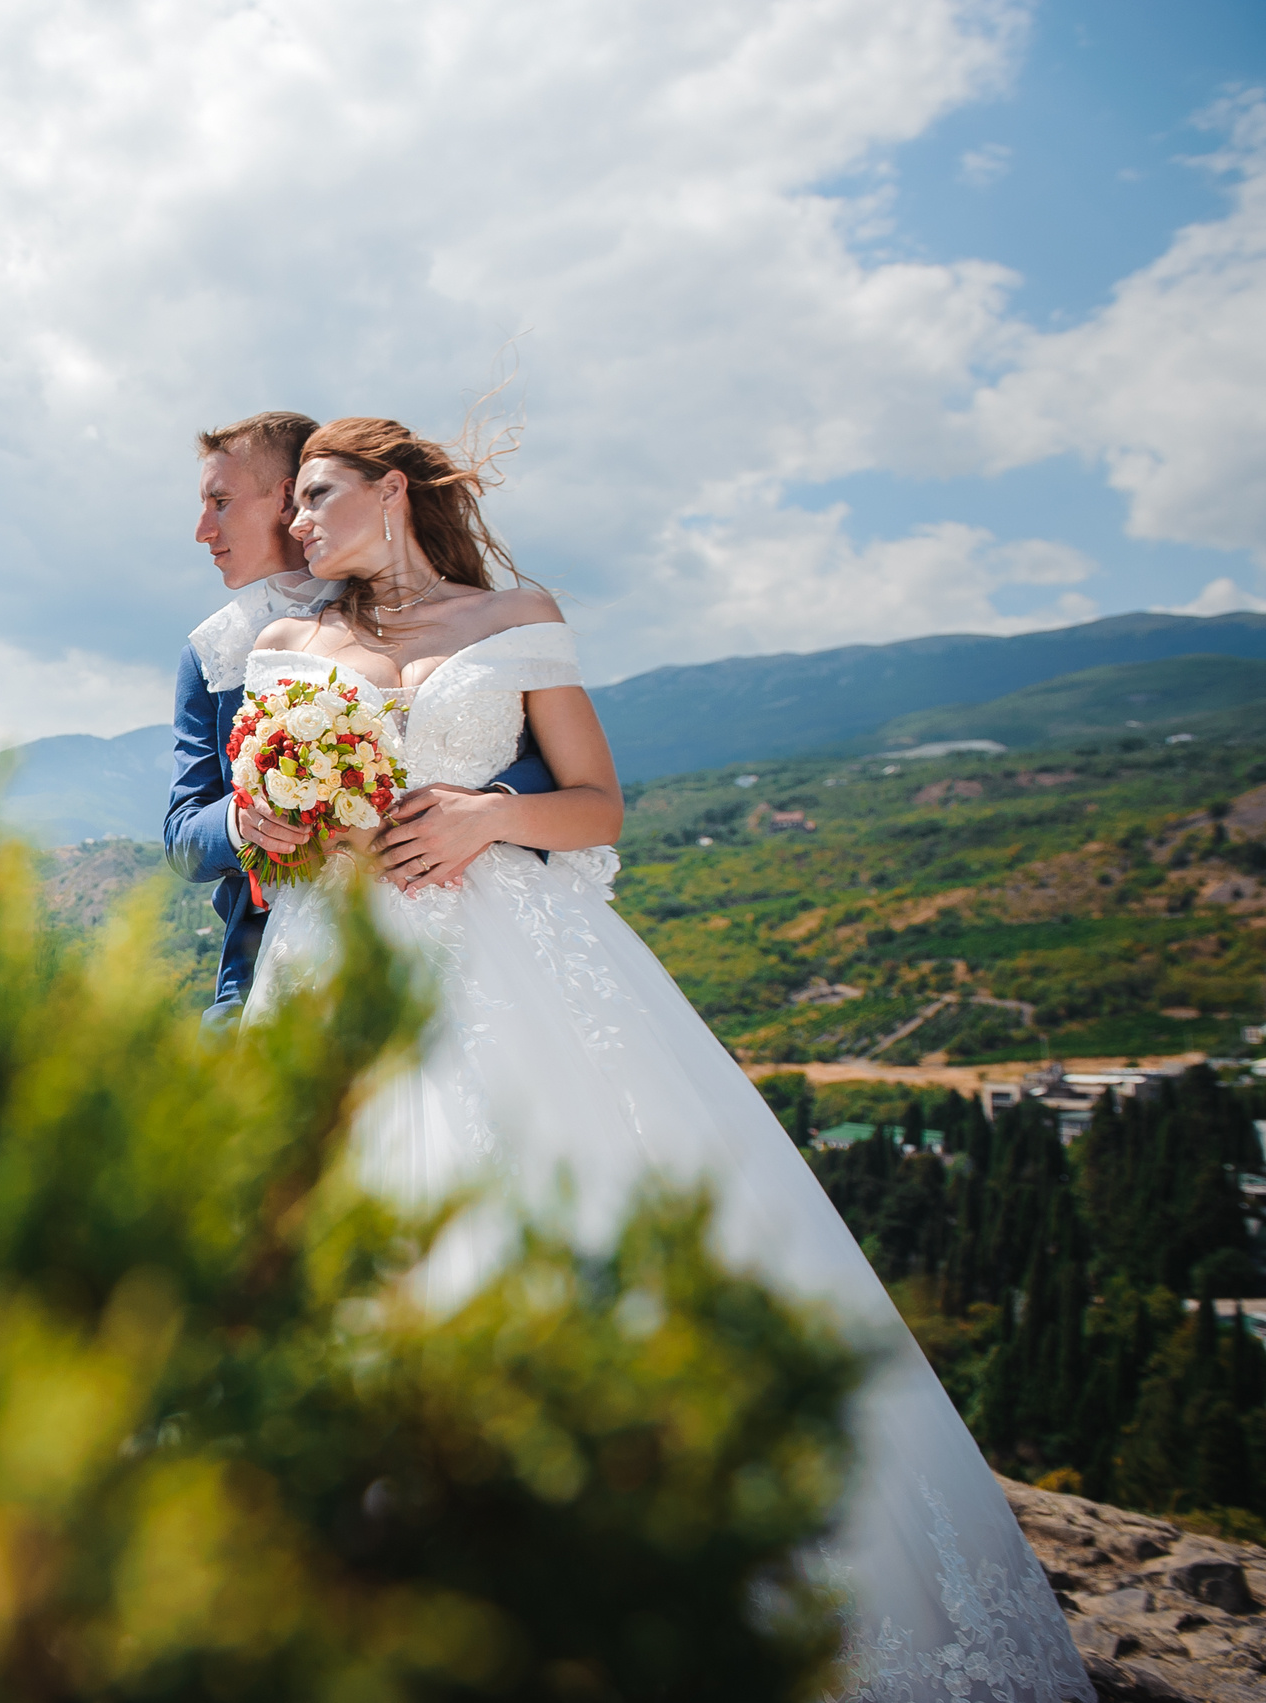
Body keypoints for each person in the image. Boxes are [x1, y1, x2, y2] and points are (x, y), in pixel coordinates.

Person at [241, 416, 1092, 1702]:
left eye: (315, 496)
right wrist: (273, 813)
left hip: (508, 958)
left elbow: (595, 803)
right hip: (337, 968)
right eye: (292, 506)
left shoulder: (514, 616)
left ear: (393, 491)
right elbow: (257, 830)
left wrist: (485, 813)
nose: (294, 524)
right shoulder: (283, 644)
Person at [163, 411, 551, 1031]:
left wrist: (485, 808)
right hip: (277, 948)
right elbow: (183, 835)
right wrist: (246, 820)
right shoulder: (212, 654)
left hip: (466, 913)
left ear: (289, 496)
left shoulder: (445, 613)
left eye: (221, 501)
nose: (202, 529)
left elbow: (532, 751)